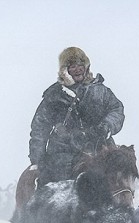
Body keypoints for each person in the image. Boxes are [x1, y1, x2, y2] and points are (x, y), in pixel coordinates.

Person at [28, 47, 125, 185]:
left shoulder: (101, 91)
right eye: (73, 66)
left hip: (99, 146)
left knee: (120, 175)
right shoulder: (54, 95)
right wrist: (37, 159)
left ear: (86, 67)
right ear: (65, 71)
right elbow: (40, 127)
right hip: (64, 153)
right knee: (57, 186)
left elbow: (116, 109)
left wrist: (107, 126)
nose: (78, 69)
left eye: (81, 65)